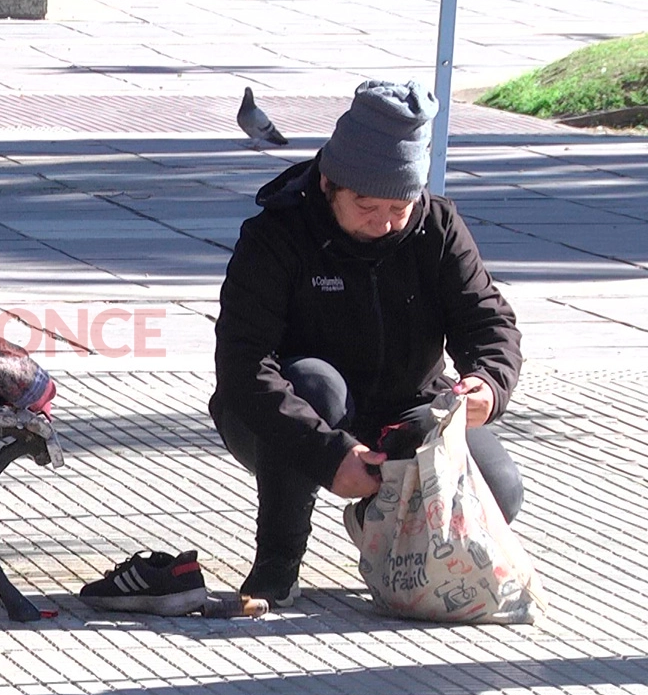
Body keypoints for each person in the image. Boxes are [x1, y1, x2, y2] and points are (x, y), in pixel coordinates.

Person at [209, 79, 524, 608]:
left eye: (400, 207)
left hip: (404, 410)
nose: (383, 224)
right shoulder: (276, 234)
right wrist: (330, 454)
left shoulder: (438, 227)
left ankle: (378, 515)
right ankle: (276, 563)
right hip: (283, 416)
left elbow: (489, 324)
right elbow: (243, 366)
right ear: (330, 182)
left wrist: (487, 385)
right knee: (315, 382)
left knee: (501, 491)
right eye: (366, 205)